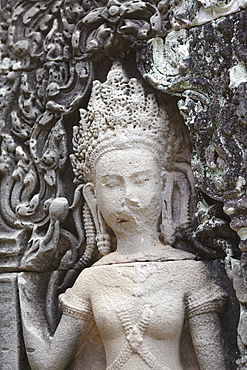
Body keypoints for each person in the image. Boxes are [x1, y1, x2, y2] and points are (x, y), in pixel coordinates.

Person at [22, 63, 228, 370]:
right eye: (112, 184)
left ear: (166, 185)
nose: (128, 196)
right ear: (92, 196)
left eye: (142, 180)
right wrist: (27, 284)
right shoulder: (91, 280)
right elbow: (48, 364)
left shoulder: (189, 274)